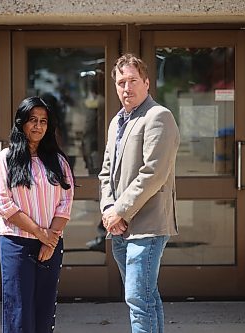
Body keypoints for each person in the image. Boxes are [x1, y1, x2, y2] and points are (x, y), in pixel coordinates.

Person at [98, 54, 180, 333]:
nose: (126, 88)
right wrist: (109, 211)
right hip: (119, 227)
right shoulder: (116, 122)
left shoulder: (159, 116)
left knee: (138, 297)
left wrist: (119, 211)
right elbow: (106, 172)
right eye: (121, 82)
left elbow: (153, 174)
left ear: (147, 83)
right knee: (146, 296)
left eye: (133, 80)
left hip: (148, 225)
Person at [0, 96, 75, 333]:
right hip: (16, 244)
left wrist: (52, 239)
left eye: (43, 121)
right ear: (21, 123)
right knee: (19, 312)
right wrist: (40, 233)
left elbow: (65, 202)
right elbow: (3, 204)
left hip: (51, 245)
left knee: (44, 311)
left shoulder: (58, 162)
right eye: (32, 120)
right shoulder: (5, 160)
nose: (38, 126)